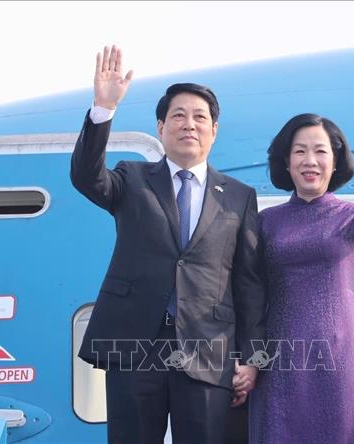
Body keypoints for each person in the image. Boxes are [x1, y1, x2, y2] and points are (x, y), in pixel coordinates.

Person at [71, 45, 266, 444]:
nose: (188, 124)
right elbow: (86, 177)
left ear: (214, 130)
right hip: (135, 342)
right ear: (161, 128)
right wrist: (103, 109)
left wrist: (252, 358)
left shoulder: (239, 196)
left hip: (208, 347)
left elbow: (248, 282)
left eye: (199, 117)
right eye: (178, 115)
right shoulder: (133, 178)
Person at [248, 98, 354, 443]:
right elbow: (248, 289)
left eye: (320, 151)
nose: (310, 161)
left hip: (341, 353)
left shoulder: (352, 216)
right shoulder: (265, 222)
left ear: (335, 161)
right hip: (283, 357)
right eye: (300, 151)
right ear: (286, 162)